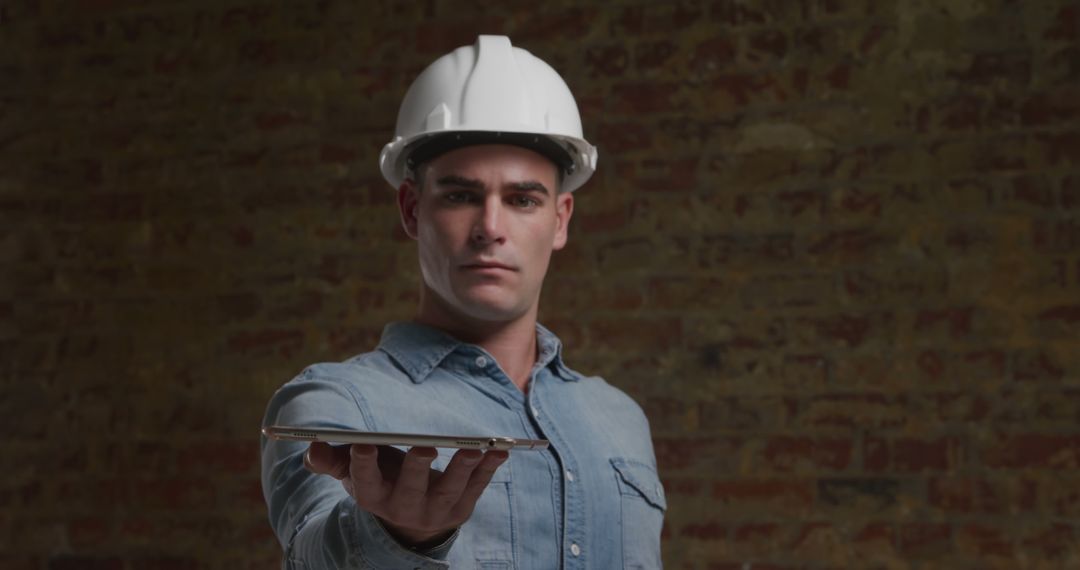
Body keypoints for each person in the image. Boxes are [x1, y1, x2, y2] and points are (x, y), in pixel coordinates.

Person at [260, 35, 666, 569]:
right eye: (460, 196)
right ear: (411, 209)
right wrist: (398, 538)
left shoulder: (619, 418)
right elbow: (310, 553)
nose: (491, 228)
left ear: (560, 219)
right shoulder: (334, 406)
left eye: (522, 199)